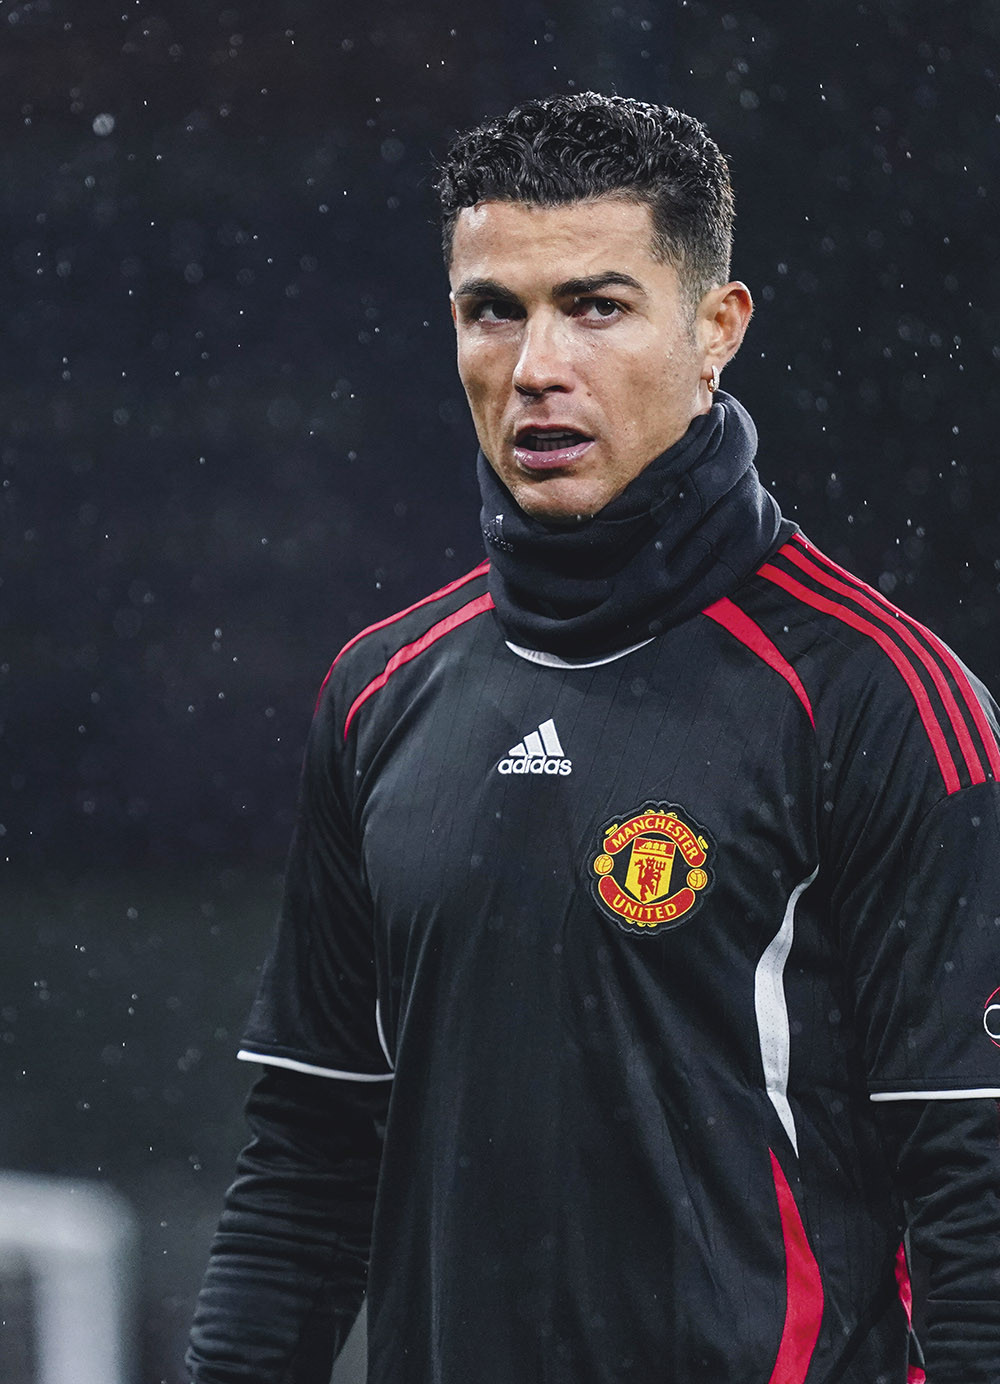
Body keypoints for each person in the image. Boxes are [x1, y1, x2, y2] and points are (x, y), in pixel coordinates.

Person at [188, 92, 1000, 1383]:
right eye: (492, 310)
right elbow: (306, 1165)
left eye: (597, 306)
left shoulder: (882, 698)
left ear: (716, 328)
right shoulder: (381, 691)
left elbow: (977, 1191)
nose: (535, 365)